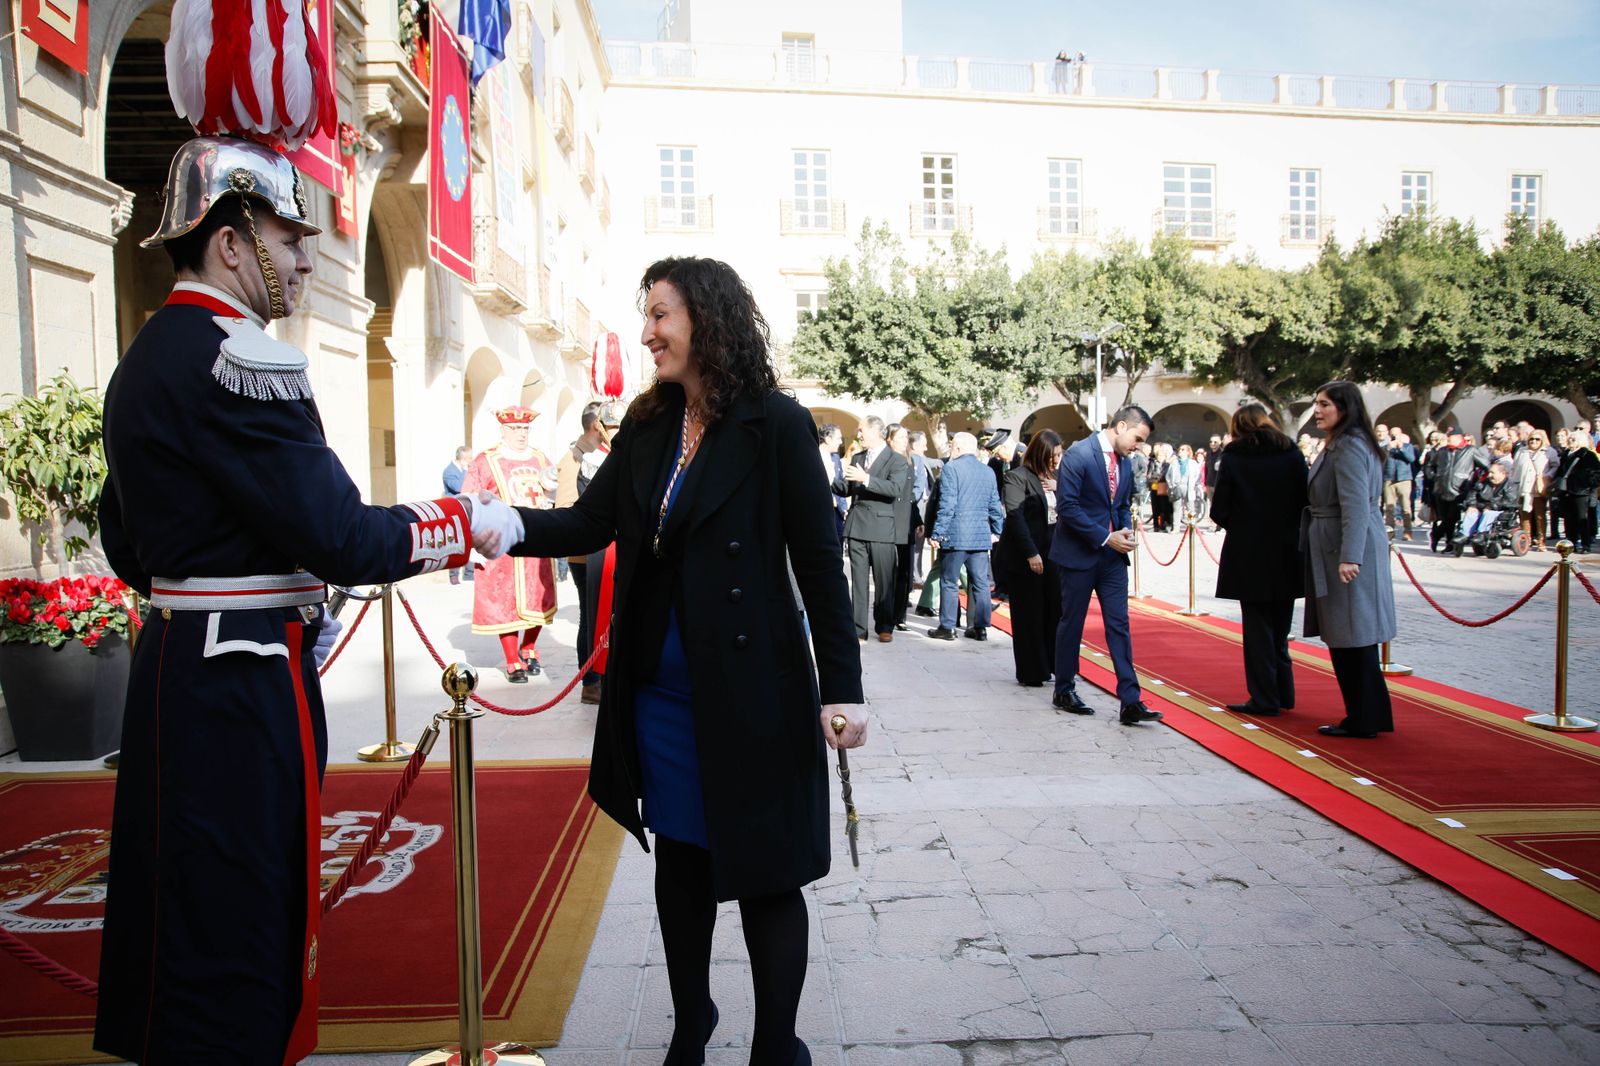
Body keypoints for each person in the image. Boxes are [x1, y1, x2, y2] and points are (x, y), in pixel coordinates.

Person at [94, 135, 514, 1065]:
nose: (302, 261)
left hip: (176, 665)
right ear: (229, 242)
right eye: (287, 240)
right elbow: (341, 536)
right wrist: (464, 521)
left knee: (182, 910)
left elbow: (124, 539)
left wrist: (208, 584)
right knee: (245, 915)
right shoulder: (240, 359)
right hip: (241, 680)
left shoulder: (148, 354)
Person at [493, 256, 866, 1066]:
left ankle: (776, 1044)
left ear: (706, 317)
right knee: (682, 863)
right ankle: (691, 1018)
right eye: (647, 314)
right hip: (659, 694)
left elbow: (819, 564)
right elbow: (587, 523)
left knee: (768, 875)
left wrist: (843, 688)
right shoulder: (650, 422)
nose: (647, 332)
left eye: (660, 314)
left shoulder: (777, 425)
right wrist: (502, 524)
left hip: (754, 691)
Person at [1049, 406, 1161, 726]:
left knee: (1119, 625)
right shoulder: (1079, 455)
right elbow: (1068, 507)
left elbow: (1121, 504)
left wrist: (1123, 530)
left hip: (1112, 559)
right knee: (1072, 623)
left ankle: (1130, 700)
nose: (1138, 446)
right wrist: (1105, 537)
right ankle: (1064, 689)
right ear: (1121, 426)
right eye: (1137, 438)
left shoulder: (1124, 461)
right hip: (1079, 555)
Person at [1302, 381, 1396, 739]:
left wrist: (1350, 556)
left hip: (1344, 547)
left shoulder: (1349, 446)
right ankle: (1371, 713)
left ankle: (1363, 718)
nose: (1318, 410)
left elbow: (1355, 505)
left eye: (1325, 404)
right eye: (1317, 403)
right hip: (1340, 543)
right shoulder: (1347, 442)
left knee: (1352, 634)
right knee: (1352, 633)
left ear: (1345, 407)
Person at [1210, 404, 1307, 718]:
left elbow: (1219, 509)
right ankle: (1284, 692)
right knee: (1280, 628)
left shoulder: (1235, 457)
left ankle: (1264, 697)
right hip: (1287, 548)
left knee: (1257, 630)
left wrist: (1242, 524)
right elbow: (1305, 499)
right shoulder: (1291, 453)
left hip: (1249, 550)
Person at [465, 406, 561, 681]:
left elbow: (551, 489)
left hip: (536, 537)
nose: (521, 434)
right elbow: (469, 499)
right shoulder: (486, 461)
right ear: (503, 430)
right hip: (502, 541)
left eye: (525, 429)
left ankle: (529, 646)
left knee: (539, 598)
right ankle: (511, 659)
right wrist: (473, 541)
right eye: (515, 429)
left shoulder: (540, 458)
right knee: (504, 602)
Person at [994, 429, 1063, 685]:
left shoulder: (1059, 478)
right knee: (1029, 616)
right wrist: (1031, 553)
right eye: (1053, 456)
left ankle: (1054, 664)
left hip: (1054, 554)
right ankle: (1032, 671)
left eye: (1059, 455)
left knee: (1054, 611)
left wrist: (1060, 488)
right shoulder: (1017, 477)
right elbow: (1016, 518)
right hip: (1027, 556)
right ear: (1040, 454)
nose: (1057, 460)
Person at [834, 415, 911, 642]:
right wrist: (829, 479)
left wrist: (866, 478)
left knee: (884, 580)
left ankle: (885, 625)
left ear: (876, 431)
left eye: (861, 430)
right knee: (858, 582)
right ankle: (859, 628)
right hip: (856, 526)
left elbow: (894, 488)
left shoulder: (896, 460)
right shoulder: (858, 457)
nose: (858, 435)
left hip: (881, 528)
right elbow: (847, 488)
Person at [557, 401, 613, 704]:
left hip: (606, 550)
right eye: (612, 426)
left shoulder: (600, 455)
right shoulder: (575, 459)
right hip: (586, 554)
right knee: (590, 618)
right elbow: (567, 507)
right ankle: (591, 682)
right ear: (598, 427)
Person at [927, 431, 1005, 641]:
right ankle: (980, 627)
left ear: (959, 448)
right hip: (980, 536)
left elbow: (947, 504)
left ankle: (947, 627)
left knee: (949, 581)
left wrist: (938, 532)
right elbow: (994, 504)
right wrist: (997, 530)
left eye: (952, 446)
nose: (951, 450)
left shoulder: (951, 468)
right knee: (980, 583)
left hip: (956, 536)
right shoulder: (987, 471)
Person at [886, 423, 921, 631]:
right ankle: (887, 613)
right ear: (889, 439)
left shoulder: (910, 461)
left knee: (904, 573)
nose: (904, 441)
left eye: (905, 437)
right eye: (900, 437)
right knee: (889, 572)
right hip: (889, 521)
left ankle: (899, 615)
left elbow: (910, 495)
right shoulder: (886, 460)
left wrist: (918, 520)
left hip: (906, 522)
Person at [1551, 430, 1600, 554]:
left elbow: (1596, 473)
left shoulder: (1587, 454)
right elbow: (1560, 471)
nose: (1570, 441)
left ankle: (1585, 544)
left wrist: (1585, 483)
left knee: (1581, 518)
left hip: (1580, 491)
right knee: (1568, 518)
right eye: (1570, 439)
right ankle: (1571, 543)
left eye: (1573, 439)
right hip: (1566, 490)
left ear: (1581, 441)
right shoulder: (1566, 453)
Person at [1381, 429, 1417, 541]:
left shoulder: (1407, 446)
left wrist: (1401, 448)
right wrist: (1388, 449)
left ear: (1401, 435)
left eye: (1396, 434)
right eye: (1392, 434)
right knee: (1389, 508)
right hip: (1389, 478)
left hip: (1404, 479)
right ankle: (1390, 532)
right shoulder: (1385, 447)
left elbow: (1411, 459)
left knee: (1405, 507)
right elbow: (1380, 459)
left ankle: (1408, 531)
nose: (1394, 436)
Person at [443, 445, 471, 582]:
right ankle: (454, 575)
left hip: (467, 510)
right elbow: (460, 487)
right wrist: (467, 472)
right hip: (455, 511)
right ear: (463, 458)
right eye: (469, 458)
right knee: (456, 542)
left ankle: (469, 574)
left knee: (470, 541)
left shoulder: (465, 469)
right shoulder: (449, 471)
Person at [818, 423, 848, 546]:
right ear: (827, 439)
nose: (841, 442)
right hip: (820, 511)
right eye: (838, 438)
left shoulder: (836, 458)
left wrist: (844, 508)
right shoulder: (813, 456)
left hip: (837, 512)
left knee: (838, 544)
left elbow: (840, 482)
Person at [1165, 442, 1205, 524]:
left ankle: (1192, 526)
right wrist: (1171, 485)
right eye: (1180, 449)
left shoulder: (1193, 463)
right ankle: (1176, 527)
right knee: (1177, 509)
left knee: (1191, 509)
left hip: (1189, 487)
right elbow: (1168, 475)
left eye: (1183, 449)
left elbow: (1198, 475)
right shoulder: (1174, 463)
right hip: (1176, 488)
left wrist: (1195, 485)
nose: (1180, 451)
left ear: (1188, 452)